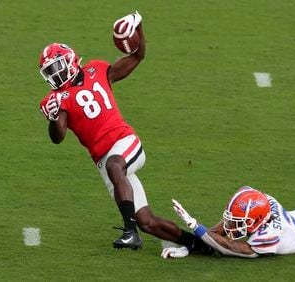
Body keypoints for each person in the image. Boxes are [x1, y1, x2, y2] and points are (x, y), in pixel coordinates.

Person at [38, 11, 205, 252]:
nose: (54, 75)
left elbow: (137, 56)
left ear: (71, 60)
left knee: (115, 165)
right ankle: (197, 244)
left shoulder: (97, 70)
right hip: (104, 161)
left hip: (124, 142)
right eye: (49, 71)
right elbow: (58, 137)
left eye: (57, 67)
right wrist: (53, 118)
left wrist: (139, 28)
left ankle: (130, 233)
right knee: (147, 221)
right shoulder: (56, 99)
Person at [162, 166, 295, 258]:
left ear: (257, 220)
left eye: (239, 221)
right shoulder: (262, 202)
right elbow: (228, 224)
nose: (230, 225)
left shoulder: (268, 236)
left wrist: (196, 227)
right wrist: (191, 246)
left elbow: (230, 248)